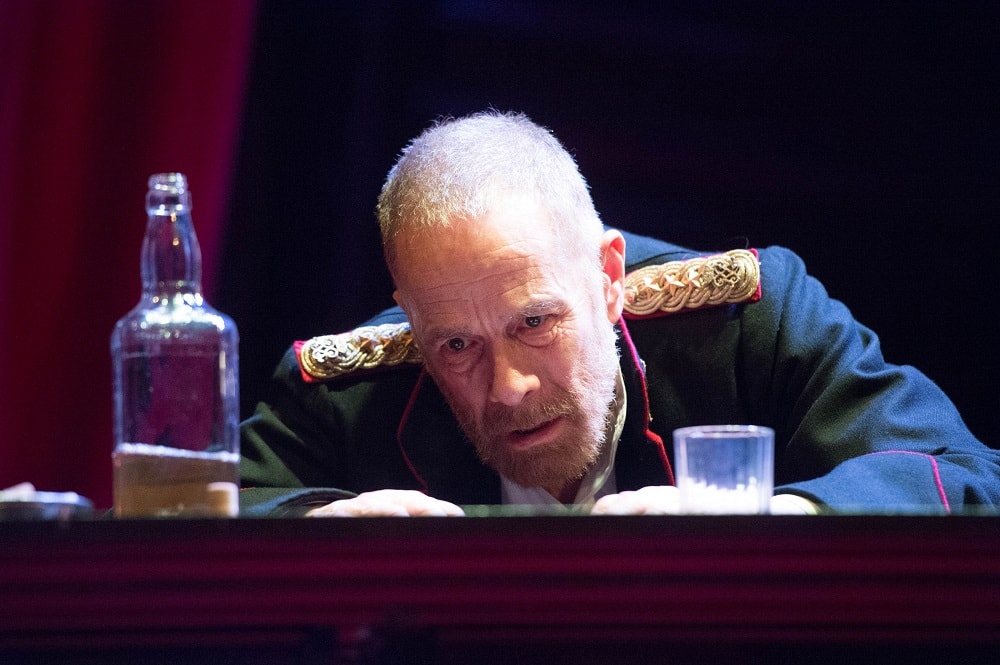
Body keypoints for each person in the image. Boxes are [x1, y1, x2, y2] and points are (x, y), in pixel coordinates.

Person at [239, 110, 1000, 517]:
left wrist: (774, 519)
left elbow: (971, 480)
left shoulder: (749, 325)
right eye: (458, 346)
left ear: (608, 277)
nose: (507, 388)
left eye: (535, 322)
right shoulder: (347, 392)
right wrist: (312, 529)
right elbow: (201, 511)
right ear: (411, 319)